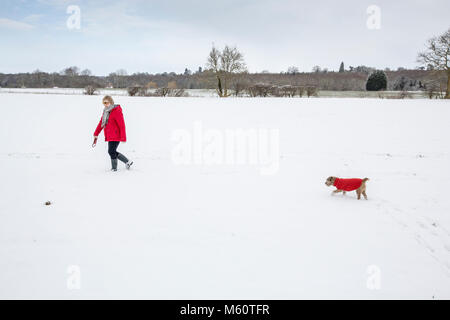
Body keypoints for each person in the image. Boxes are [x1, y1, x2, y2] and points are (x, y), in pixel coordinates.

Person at [92, 96, 133, 171]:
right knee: (112, 151)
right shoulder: (106, 111)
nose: (105, 104)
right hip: (110, 135)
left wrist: (123, 137)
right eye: (104, 103)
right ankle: (127, 162)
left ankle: (114, 168)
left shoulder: (116, 111)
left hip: (116, 135)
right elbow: (101, 123)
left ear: (111, 102)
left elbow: (122, 124)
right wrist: (96, 133)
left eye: (107, 102)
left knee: (111, 151)